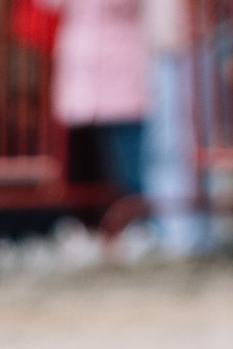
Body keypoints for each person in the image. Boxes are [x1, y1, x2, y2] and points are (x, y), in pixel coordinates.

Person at [51, 0, 149, 213]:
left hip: (123, 63)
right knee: (87, 161)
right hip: (82, 67)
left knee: (130, 158)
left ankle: (137, 218)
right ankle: (95, 223)